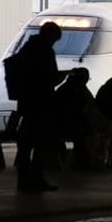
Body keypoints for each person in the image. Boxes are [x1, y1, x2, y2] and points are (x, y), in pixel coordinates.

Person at [16, 21, 69, 191]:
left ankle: (23, 180)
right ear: (51, 37)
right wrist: (64, 76)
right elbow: (51, 78)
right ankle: (37, 179)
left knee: (25, 146)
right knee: (40, 144)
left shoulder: (26, 48)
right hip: (42, 104)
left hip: (26, 103)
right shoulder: (46, 51)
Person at [55, 68, 112, 169]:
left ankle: (87, 160)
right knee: (107, 129)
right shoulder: (77, 92)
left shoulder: (70, 91)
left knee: (104, 129)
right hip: (75, 124)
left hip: (77, 123)